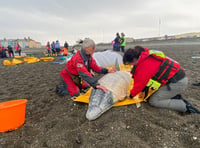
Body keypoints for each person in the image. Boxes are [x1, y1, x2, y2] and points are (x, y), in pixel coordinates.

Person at [123, 46, 200, 114]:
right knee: (152, 95)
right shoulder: (146, 55)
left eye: (130, 64)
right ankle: (171, 95)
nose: (131, 66)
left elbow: (139, 85)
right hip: (176, 76)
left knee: (153, 101)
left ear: (134, 59)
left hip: (177, 82)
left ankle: (184, 106)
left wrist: (130, 95)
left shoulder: (144, 65)